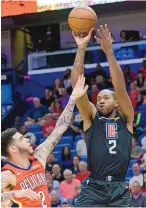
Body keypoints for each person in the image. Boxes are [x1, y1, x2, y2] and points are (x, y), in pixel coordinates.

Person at [1, 76, 88, 207]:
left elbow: (59, 128)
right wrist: (14, 194)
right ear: (13, 149)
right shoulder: (8, 174)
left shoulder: (38, 157)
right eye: (21, 139)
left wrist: (73, 98)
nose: (27, 139)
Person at [71, 24, 134, 207]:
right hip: (94, 188)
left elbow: (120, 88)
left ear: (116, 103)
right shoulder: (91, 118)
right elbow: (77, 87)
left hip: (119, 188)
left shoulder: (126, 119)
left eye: (106, 97)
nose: (100, 101)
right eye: (98, 98)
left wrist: (109, 53)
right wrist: (81, 48)